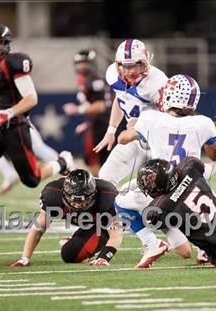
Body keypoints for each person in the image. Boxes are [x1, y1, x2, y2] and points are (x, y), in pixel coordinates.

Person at [0, 24, 74, 244]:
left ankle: (61, 163)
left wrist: (8, 112)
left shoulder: (14, 63)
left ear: (7, 45)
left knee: (32, 179)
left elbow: (31, 98)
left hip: (14, 126)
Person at [116, 74, 216, 267]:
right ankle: (205, 250)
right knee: (209, 217)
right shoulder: (202, 122)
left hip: (161, 190)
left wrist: (131, 127)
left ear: (169, 95)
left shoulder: (151, 118)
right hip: (192, 186)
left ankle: (151, 243)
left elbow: (122, 139)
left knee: (119, 200)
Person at [93, 39, 169, 267]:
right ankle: (106, 237)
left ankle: (198, 243)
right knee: (104, 181)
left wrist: (143, 123)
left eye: (135, 65)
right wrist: (110, 130)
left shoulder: (158, 82)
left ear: (146, 63)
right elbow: (120, 98)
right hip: (133, 140)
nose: (130, 71)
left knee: (171, 194)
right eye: (125, 66)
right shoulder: (113, 75)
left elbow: (171, 117)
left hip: (157, 144)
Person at [7, 169, 122, 266]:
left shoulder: (107, 197)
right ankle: (77, 238)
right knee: (70, 254)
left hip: (101, 224)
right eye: (74, 200)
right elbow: (38, 229)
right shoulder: (53, 195)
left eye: (83, 200)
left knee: (71, 255)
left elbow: (116, 235)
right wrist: (25, 258)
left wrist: (103, 258)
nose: (77, 204)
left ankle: (79, 240)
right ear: (64, 193)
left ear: (93, 194)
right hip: (85, 220)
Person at [63, 49, 123, 176]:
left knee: (94, 159)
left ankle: (98, 190)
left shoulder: (93, 80)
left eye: (84, 63)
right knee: (97, 161)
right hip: (99, 123)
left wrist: (77, 109)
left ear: (91, 64)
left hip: (101, 124)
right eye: (79, 64)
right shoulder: (91, 80)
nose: (81, 67)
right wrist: (87, 123)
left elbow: (102, 106)